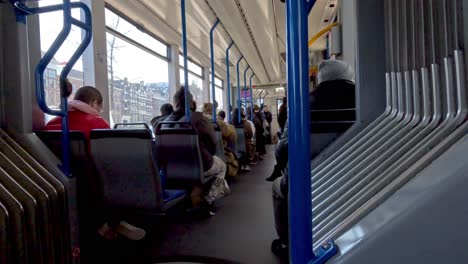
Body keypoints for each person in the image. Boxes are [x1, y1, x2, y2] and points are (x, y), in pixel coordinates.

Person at [44, 86, 146, 241]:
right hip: (94, 183)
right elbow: (113, 157)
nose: (101, 110)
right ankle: (114, 222)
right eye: (100, 106)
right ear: (93, 103)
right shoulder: (97, 124)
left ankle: (106, 224)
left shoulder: (51, 124)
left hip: (59, 180)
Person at [166, 87, 229, 214]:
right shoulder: (198, 119)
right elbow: (212, 142)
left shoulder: (164, 123)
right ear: (191, 103)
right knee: (221, 165)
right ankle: (209, 200)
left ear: (175, 103)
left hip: (171, 168)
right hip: (198, 166)